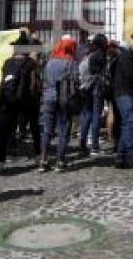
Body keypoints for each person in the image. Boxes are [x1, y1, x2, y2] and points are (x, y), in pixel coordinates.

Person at [0, 33, 37, 172]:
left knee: (5, 129)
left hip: (7, 98)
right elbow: (33, 83)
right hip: (24, 99)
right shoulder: (30, 63)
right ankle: (39, 156)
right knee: (34, 127)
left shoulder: (7, 62)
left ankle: (0, 160)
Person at [39, 37, 78, 172]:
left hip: (48, 97)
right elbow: (75, 79)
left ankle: (43, 160)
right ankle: (60, 160)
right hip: (64, 98)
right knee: (63, 128)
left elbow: (44, 78)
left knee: (47, 130)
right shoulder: (70, 61)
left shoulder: (50, 61)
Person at [108, 39, 133, 168]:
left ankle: (121, 156)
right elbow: (130, 76)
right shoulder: (126, 56)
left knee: (124, 124)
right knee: (129, 122)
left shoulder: (117, 59)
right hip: (124, 93)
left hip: (117, 94)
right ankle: (129, 155)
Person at [78, 35, 108, 157]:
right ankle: (95, 146)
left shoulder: (88, 56)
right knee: (96, 117)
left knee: (87, 116)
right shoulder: (100, 55)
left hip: (86, 88)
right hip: (96, 89)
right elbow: (102, 73)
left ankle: (82, 144)